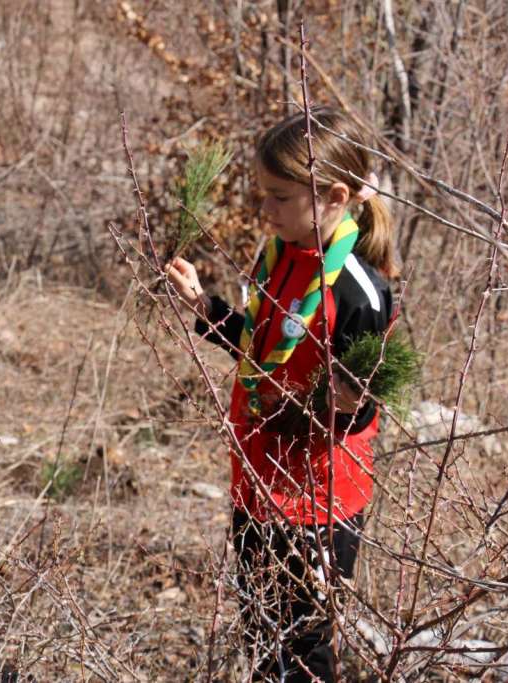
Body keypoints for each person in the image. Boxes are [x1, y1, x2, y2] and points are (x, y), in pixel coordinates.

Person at [167, 107, 397, 681]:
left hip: (315, 502)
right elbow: (261, 345)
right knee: (261, 634)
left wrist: (336, 403)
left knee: (301, 653)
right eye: (262, 194)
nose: (264, 211)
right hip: (257, 484)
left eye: (279, 197)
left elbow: (358, 406)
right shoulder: (282, 258)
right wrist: (206, 309)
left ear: (335, 196)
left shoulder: (358, 290)